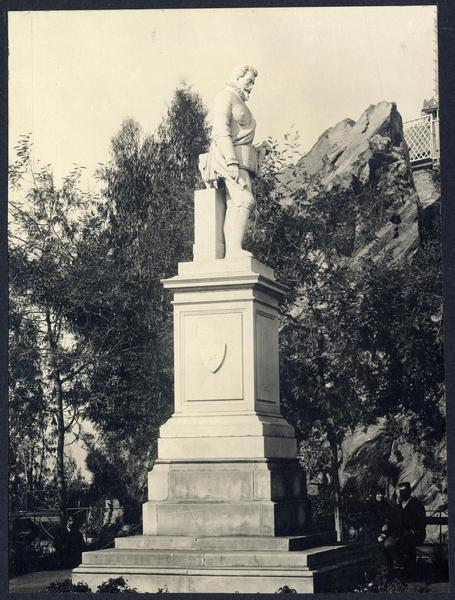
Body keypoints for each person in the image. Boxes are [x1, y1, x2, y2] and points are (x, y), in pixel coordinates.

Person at [199, 64, 270, 257]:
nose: (251, 86)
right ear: (238, 77)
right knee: (244, 200)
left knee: (236, 202)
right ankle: (233, 250)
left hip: (241, 159)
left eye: (253, 82)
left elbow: (240, 136)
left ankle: (232, 249)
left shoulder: (239, 100)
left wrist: (259, 150)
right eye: (249, 81)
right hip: (226, 157)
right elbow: (221, 130)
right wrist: (231, 160)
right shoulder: (225, 96)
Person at [380, 481, 426, 575]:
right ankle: (393, 570)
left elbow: (422, 522)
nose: (402, 493)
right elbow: (393, 521)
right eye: (400, 491)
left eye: (404, 491)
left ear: (409, 491)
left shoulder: (416, 504)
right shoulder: (398, 506)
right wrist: (386, 526)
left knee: (390, 544)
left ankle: (407, 566)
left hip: (415, 533)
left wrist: (412, 530)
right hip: (399, 533)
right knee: (384, 544)